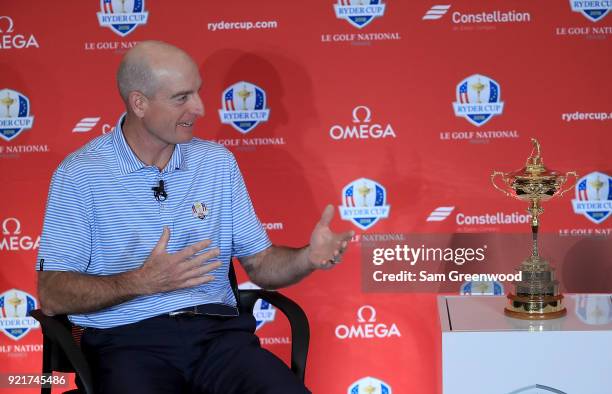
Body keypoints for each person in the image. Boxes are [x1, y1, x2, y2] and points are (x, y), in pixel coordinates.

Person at [36, 40, 353, 394]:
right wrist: (142, 281)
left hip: (218, 340)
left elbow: (262, 264)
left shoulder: (216, 163)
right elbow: (52, 294)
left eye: (198, 93)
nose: (200, 108)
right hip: (127, 343)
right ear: (139, 103)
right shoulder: (81, 175)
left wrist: (307, 257)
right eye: (181, 97)